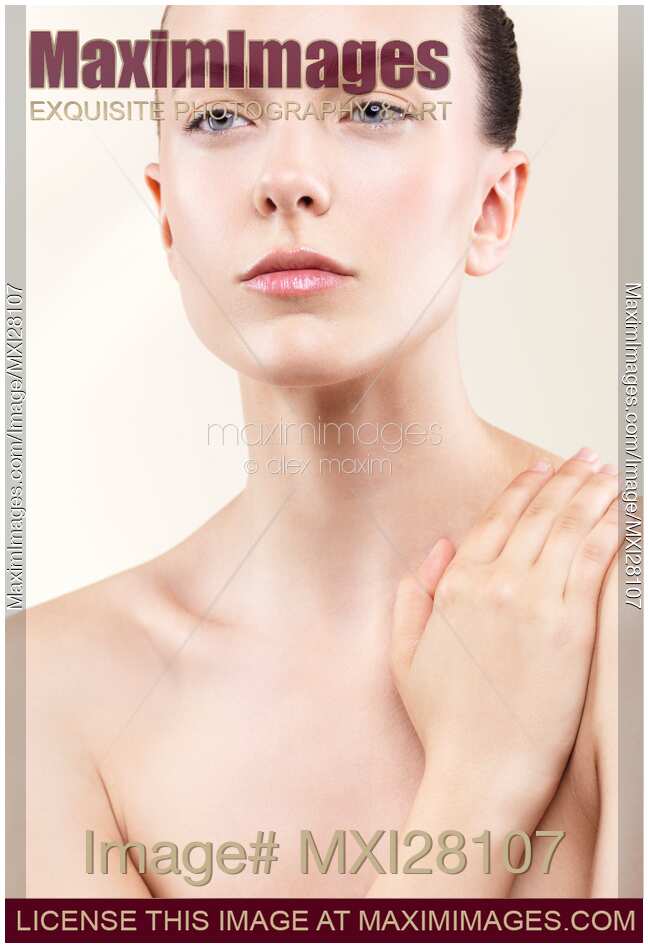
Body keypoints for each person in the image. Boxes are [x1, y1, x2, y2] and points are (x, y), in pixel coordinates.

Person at [25, 5, 620, 897]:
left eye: (374, 107)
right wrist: (476, 783)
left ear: (494, 206)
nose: (288, 180)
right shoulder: (43, 692)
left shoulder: (623, 603)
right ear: (166, 220)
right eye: (219, 117)